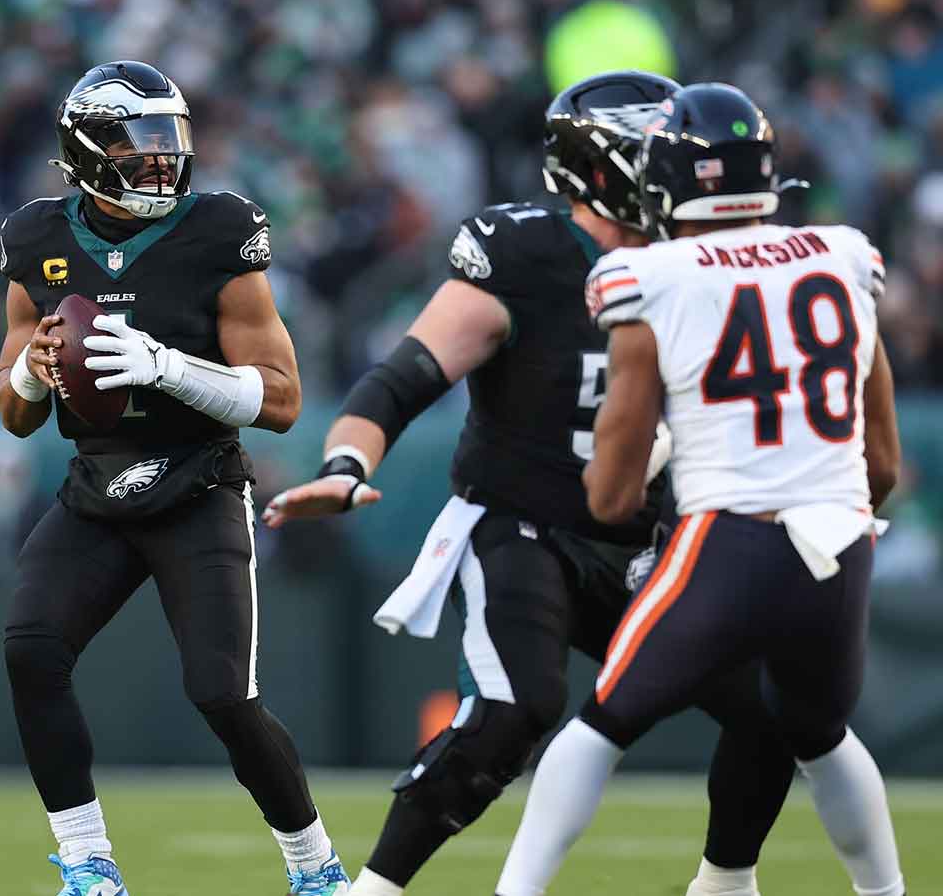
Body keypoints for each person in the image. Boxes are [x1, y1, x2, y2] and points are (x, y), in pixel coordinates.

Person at [264, 71, 810, 896]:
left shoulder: (706, 260)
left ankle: (724, 884)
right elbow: (403, 378)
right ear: (599, 169)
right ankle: (370, 890)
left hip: (652, 539)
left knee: (777, 704)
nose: (671, 173)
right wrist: (346, 465)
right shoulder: (529, 254)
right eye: (652, 155)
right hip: (524, 529)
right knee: (512, 713)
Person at [492, 81, 906, 896]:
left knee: (603, 722)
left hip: (732, 543)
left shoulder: (650, 278)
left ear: (667, 178)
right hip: (842, 543)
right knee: (819, 735)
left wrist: (658, 480)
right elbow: (882, 463)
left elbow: (610, 499)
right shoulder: (844, 256)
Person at [0, 61, 348, 896]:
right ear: (84, 150)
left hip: (198, 484)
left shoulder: (219, 229)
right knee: (30, 652)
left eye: (169, 139)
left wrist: (165, 365)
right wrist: (36, 374)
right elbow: (12, 410)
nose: (160, 158)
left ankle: (316, 868)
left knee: (224, 696)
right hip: (96, 487)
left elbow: (285, 401)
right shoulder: (37, 238)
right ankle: (87, 864)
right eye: (138, 141)